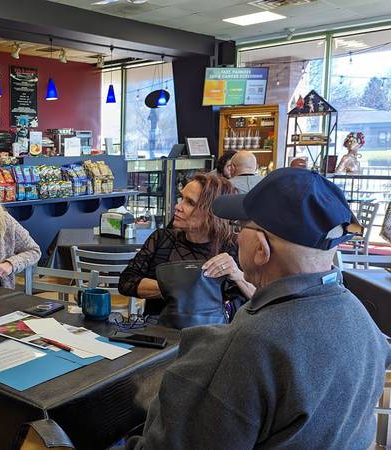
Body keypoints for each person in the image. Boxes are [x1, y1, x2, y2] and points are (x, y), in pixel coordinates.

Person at [124, 168, 390, 449]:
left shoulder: (241, 349)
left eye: (240, 227)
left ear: (261, 249)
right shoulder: (362, 321)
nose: (235, 237)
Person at [118, 173, 255, 317]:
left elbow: (262, 299)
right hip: (160, 332)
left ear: (212, 213)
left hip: (215, 335)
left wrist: (237, 275)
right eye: (181, 198)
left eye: (190, 203)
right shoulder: (162, 239)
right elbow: (126, 282)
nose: (178, 206)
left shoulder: (234, 248)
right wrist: (181, 288)